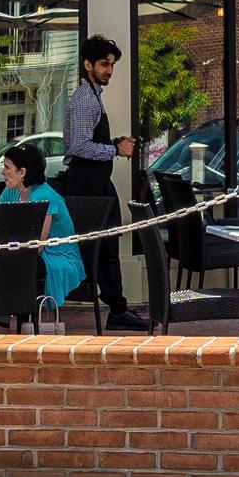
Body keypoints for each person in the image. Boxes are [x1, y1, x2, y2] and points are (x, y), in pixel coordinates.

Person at [57, 35, 149, 331]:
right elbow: (78, 147)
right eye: (104, 64)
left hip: (96, 183)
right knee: (99, 247)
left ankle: (116, 308)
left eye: (111, 65)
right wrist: (115, 149)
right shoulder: (85, 99)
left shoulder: (92, 96)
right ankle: (114, 309)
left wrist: (113, 143)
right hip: (86, 185)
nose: (109, 70)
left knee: (107, 245)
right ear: (88, 65)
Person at [0, 143, 85, 310]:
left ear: (22, 172)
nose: (2, 172)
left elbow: (38, 244)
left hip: (54, 256)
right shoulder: (12, 191)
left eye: (7, 167)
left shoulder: (43, 195)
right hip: (22, 249)